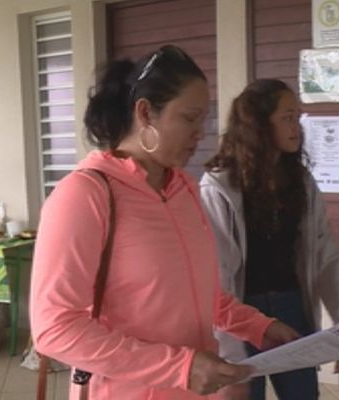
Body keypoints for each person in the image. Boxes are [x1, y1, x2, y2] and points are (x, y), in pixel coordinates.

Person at [30, 45, 298, 400]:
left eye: (203, 119)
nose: (200, 133)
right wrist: (180, 367)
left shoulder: (184, 190)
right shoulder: (84, 195)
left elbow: (204, 296)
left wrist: (259, 326)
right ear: (145, 113)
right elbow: (55, 328)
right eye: (189, 118)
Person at [200, 79, 339, 400]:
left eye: (298, 116)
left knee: (303, 395)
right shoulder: (220, 187)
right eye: (287, 117)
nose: (296, 127)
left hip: (292, 306)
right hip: (241, 313)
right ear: (259, 123)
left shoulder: (300, 182)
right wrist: (230, 352)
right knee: (245, 395)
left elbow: (327, 259)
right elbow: (220, 276)